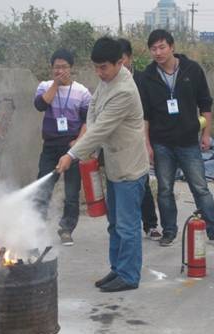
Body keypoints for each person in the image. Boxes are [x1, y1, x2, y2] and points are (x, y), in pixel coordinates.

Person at [56, 37, 149, 292]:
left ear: (120, 63)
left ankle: (129, 276)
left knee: (128, 226)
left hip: (129, 168)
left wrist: (72, 154)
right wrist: (86, 146)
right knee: (115, 224)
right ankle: (118, 269)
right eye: (96, 67)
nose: (99, 72)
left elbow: (101, 128)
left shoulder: (124, 90)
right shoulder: (107, 80)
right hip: (115, 166)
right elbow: (94, 109)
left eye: (103, 67)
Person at [138, 29, 214, 247]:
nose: (158, 52)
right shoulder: (147, 77)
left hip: (189, 141)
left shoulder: (192, 69)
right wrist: (147, 145)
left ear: (172, 47)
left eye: (162, 47)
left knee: (200, 187)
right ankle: (169, 231)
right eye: (153, 49)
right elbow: (144, 115)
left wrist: (206, 134)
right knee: (165, 190)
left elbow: (205, 104)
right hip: (161, 143)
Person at [34, 49, 91, 246]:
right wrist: (56, 85)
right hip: (50, 146)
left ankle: (66, 229)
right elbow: (40, 105)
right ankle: (36, 228)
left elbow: (88, 120)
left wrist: (79, 142)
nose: (60, 71)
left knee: (72, 192)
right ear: (51, 69)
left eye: (64, 67)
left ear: (71, 68)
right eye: (56, 67)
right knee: (43, 187)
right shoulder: (45, 86)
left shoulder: (82, 92)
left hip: (72, 148)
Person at [118, 37, 162, 241]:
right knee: (119, 187)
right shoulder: (110, 82)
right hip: (119, 144)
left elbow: (149, 112)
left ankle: (150, 224)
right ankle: (122, 227)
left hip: (140, 140)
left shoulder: (143, 80)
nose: (120, 64)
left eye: (123, 59)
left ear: (130, 58)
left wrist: (148, 142)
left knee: (142, 183)